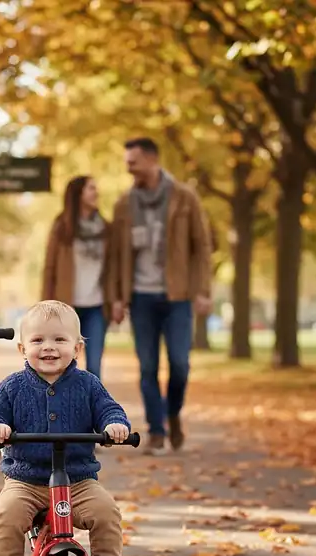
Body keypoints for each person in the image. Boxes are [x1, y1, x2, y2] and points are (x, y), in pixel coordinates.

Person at [0, 300, 138, 556]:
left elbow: (109, 409)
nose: (48, 347)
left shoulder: (88, 385)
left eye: (59, 340)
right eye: (38, 340)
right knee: (7, 515)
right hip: (26, 480)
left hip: (77, 480)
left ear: (77, 348)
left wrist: (116, 424)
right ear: (22, 349)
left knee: (106, 511)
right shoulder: (13, 387)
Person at [111, 137, 212, 455]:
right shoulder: (124, 203)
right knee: (147, 367)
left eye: (133, 162)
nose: (129, 168)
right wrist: (117, 297)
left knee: (180, 364)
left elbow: (202, 246)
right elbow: (116, 254)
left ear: (152, 160)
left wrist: (203, 290)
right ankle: (156, 430)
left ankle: (172, 413)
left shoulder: (184, 197)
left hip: (178, 294)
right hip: (140, 296)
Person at [41, 176, 118, 380]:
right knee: (62, 365)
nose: (96, 193)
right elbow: (49, 269)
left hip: (97, 306)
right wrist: (44, 306)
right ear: (78, 194)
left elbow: (113, 269)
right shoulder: (61, 227)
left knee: (94, 366)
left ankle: (91, 411)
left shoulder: (106, 229)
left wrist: (117, 299)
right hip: (66, 307)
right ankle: (61, 410)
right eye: (91, 188)